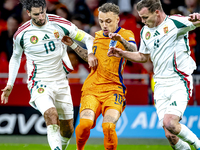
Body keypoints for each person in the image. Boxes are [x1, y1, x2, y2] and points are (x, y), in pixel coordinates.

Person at [0, 0, 97, 150]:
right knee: (51, 114)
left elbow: (88, 38)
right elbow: (16, 57)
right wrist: (10, 84)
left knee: (68, 130)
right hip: (38, 82)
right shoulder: (21, 33)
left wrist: (90, 54)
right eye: (36, 14)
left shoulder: (59, 23)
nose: (41, 17)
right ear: (28, 14)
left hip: (61, 81)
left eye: (42, 12)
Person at [108, 0, 200, 150]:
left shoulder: (175, 23)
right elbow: (143, 57)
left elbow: (196, 21)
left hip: (179, 81)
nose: (143, 21)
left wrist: (197, 17)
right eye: (141, 18)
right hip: (159, 84)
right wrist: (122, 53)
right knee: (171, 135)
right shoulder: (145, 31)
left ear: (157, 12)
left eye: (145, 17)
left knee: (170, 122)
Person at [63, 3, 137, 150]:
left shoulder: (126, 34)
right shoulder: (95, 36)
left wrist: (121, 40)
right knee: (84, 124)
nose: (104, 25)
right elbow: (89, 57)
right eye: (101, 21)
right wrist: (73, 45)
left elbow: (134, 51)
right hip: (92, 89)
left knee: (109, 126)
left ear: (117, 19)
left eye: (108, 21)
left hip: (114, 90)